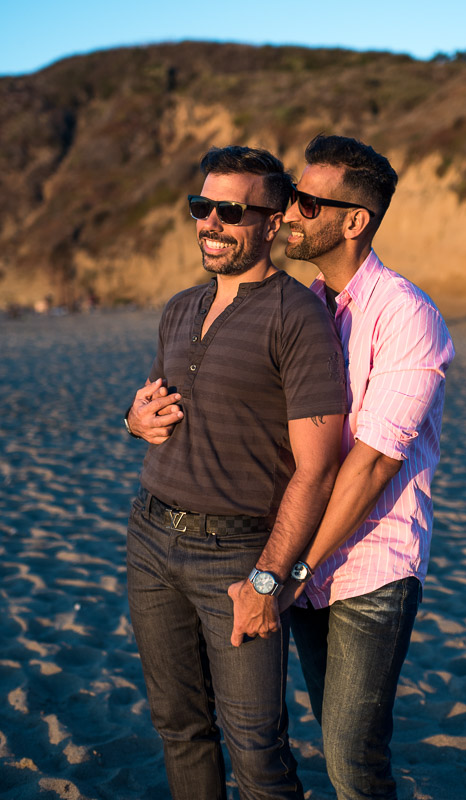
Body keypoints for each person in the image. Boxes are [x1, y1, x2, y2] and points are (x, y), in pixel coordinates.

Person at [123, 145, 347, 800]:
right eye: (201, 207)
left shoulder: (297, 319)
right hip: (150, 539)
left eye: (229, 211)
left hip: (236, 557)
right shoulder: (179, 309)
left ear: (271, 223)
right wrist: (130, 422)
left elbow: (317, 470)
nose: (210, 223)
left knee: (257, 750)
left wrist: (267, 580)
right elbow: (154, 411)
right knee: (178, 727)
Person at [280, 134, 455, 800]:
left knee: (354, 757)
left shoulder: (406, 315)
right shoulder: (306, 309)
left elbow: (375, 463)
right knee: (331, 737)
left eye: (306, 201)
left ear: (354, 221)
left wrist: (297, 567)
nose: (291, 213)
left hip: (369, 568)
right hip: (303, 562)